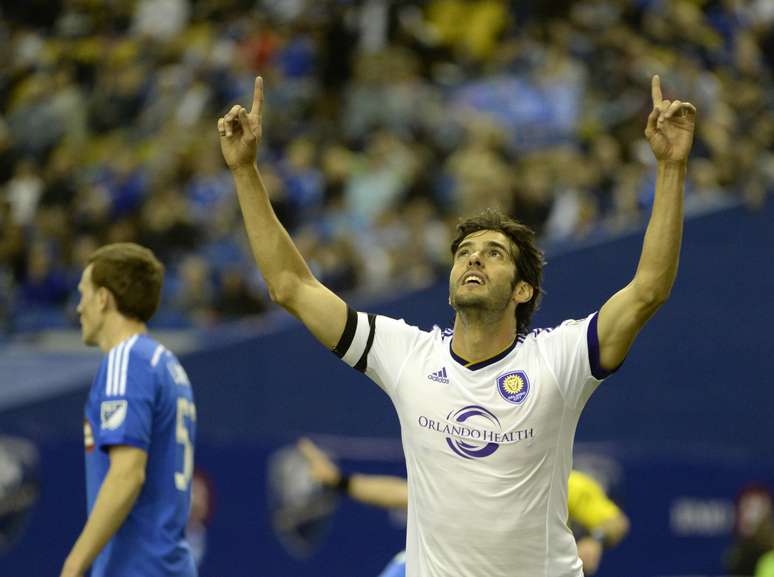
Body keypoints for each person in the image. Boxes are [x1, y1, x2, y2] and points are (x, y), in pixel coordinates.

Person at [218, 74, 695, 576]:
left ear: (522, 290)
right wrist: (246, 171)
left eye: (493, 254)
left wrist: (670, 167)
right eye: (465, 252)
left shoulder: (560, 358)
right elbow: (291, 286)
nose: (474, 261)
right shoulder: (407, 354)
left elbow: (648, 290)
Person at [60, 243, 197, 577]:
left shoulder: (127, 361)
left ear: (104, 299)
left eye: (84, 294)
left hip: (137, 568)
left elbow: (127, 474)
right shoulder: (165, 364)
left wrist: (74, 565)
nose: (79, 308)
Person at [297, 438, 628, 576]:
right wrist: (339, 481)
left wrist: (595, 540)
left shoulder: (569, 485)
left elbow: (615, 524)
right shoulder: (474, 477)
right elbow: (403, 494)